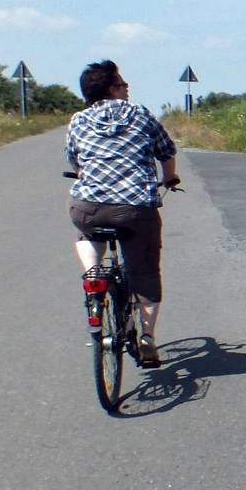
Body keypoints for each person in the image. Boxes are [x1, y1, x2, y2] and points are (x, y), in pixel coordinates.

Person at [66, 60, 180, 367]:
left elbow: (75, 161)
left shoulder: (78, 120)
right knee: (144, 273)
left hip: (88, 207)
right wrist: (170, 177)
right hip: (135, 210)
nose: (127, 87)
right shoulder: (140, 114)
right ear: (111, 89)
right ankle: (147, 339)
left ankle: (93, 274)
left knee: (87, 230)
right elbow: (167, 152)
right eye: (122, 83)